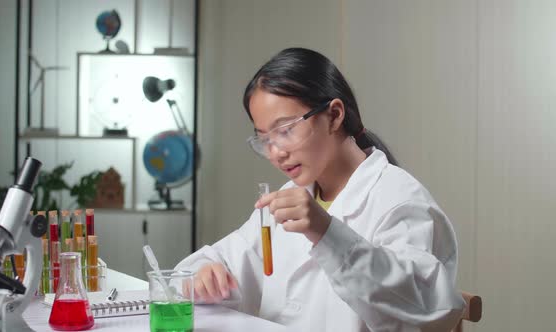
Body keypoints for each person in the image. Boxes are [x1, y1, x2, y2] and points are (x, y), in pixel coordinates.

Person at [175, 47, 465, 331]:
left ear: (335, 115)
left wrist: (327, 233)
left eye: (286, 130)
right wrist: (204, 273)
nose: (276, 152)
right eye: (265, 139)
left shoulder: (399, 200)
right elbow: (218, 260)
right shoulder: (290, 197)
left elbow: (427, 312)